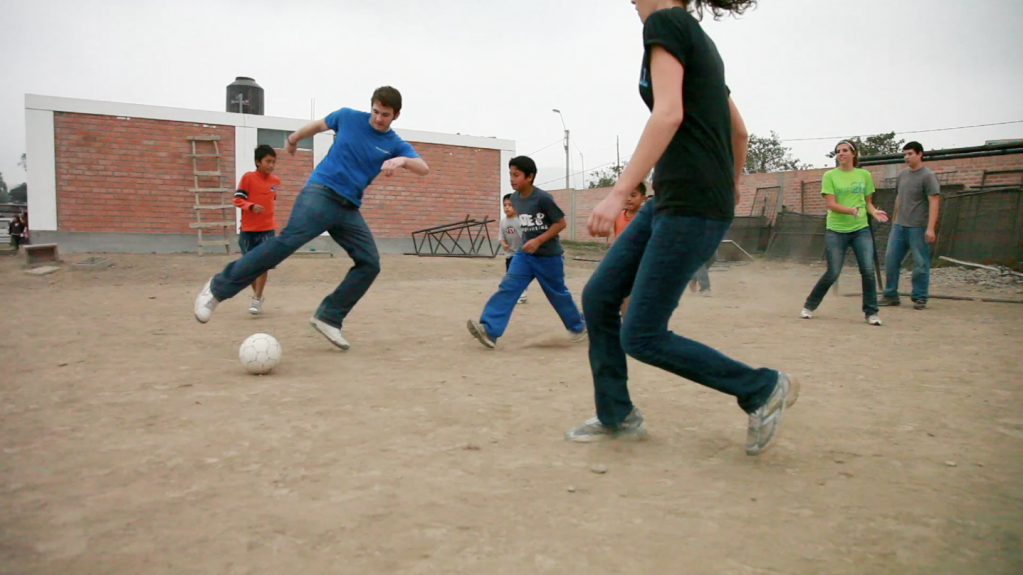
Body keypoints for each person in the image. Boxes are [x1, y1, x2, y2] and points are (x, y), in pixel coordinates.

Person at [565, 0, 800, 457]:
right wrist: (731, 183)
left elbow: (668, 113)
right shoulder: (700, 40)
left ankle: (761, 387)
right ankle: (617, 413)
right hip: (675, 200)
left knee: (643, 334)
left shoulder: (666, 23)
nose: (630, 2)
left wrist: (618, 192)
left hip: (690, 204)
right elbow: (740, 131)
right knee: (598, 296)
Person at [194, 86, 430, 350]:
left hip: (348, 208)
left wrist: (401, 161)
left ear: (395, 115)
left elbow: (424, 168)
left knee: (370, 263)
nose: (378, 118)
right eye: (375, 111)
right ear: (371, 106)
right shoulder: (348, 117)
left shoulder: (395, 143)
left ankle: (329, 317)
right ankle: (216, 289)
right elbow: (318, 126)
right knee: (286, 243)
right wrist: (293, 139)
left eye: (385, 114)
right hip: (321, 192)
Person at [466, 156, 587, 348]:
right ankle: (489, 330)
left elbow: (560, 223)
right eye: (510, 175)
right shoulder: (514, 198)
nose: (512, 179)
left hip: (549, 257)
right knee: (508, 286)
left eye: (516, 175)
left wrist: (539, 240)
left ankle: (578, 326)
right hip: (524, 255)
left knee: (557, 294)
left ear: (530, 177)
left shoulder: (543, 198)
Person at [800, 140, 888, 325]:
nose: (841, 153)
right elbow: (831, 204)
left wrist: (874, 212)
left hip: (860, 229)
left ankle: (871, 313)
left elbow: (868, 202)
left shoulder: (864, 175)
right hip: (836, 230)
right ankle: (809, 305)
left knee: (868, 270)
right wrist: (850, 211)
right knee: (833, 272)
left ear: (853, 153)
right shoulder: (830, 176)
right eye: (838, 151)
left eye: (845, 150)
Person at [880, 141, 941, 310]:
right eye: (904, 154)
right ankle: (891, 295)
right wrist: (894, 220)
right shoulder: (902, 175)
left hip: (918, 227)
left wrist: (930, 228)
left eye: (910, 154)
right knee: (891, 259)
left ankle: (920, 297)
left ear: (920, 154)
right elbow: (898, 197)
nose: (906, 157)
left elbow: (934, 201)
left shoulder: (928, 176)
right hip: (899, 226)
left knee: (920, 262)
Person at [232, 144, 281, 315]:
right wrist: (250, 206)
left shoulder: (276, 181)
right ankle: (257, 295)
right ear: (257, 161)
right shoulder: (248, 178)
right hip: (248, 229)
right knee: (249, 267)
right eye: (268, 161)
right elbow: (237, 200)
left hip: (267, 229)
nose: (271, 165)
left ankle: (257, 298)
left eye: (273, 162)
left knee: (263, 265)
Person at [614, 183, 648, 317]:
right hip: (621, 263)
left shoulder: (646, 219)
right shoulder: (618, 215)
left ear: (643, 198)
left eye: (633, 195)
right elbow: (617, 238)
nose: (628, 198)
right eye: (626, 195)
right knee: (623, 296)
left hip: (640, 264)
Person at [499, 194, 528, 304]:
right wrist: (504, 244)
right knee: (510, 274)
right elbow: (501, 237)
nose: (507, 207)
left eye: (510, 205)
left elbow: (525, 235)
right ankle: (513, 293)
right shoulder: (503, 222)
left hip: (521, 253)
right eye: (505, 205)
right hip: (510, 254)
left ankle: (523, 294)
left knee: (520, 274)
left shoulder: (520, 220)